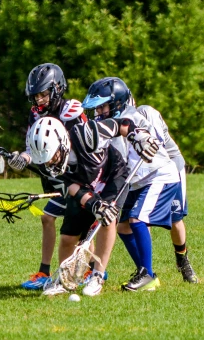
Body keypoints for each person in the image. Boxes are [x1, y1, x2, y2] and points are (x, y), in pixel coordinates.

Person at [82, 77, 198, 293]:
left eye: (102, 107)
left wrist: (140, 139)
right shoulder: (108, 124)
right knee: (123, 226)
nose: (98, 113)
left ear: (116, 103)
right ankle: (148, 275)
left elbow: (138, 133)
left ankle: (146, 273)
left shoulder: (131, 118)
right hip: (137, 181)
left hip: (159, 175)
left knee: (137, 219)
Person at [24, 114, 159, 297]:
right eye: (46, 160)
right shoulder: (48, 164)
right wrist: (94, 204)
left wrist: (139, 137)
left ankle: (97, 275)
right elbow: (72, 189)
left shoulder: (86, 134)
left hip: (113, 176)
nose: (50, 163)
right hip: (82, 188)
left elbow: (122, 124)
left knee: (107, 218)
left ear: (62, 143)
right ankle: (65, 280)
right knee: (67, 238)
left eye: (53, 156)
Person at [4, 63, 88, 290]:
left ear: (57, 89)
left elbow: (85, 147)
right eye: (35, 96)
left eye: (43, 94)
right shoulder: (35, 114)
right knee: (48, 218)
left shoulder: (71, 111)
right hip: (56, 178)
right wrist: (22, 158)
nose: (39, 100)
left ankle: (88, 269)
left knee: (79, 223)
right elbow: (34, 148)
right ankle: (44, 271)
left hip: (78, 177)